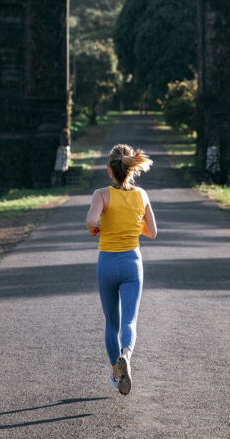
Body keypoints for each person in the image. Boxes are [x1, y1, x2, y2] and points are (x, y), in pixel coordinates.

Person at [86, 144, 157, 395]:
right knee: (130, 320)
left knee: (111, 324)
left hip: (107, 262)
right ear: (130, 168)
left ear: (109, 169)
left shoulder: (101, 195)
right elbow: (153, 231)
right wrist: (132, 225)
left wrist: (96, 228)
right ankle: (126, 354)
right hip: (132, 263)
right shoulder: (141, 195)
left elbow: (91, 221)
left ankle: (117, 372)